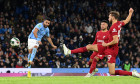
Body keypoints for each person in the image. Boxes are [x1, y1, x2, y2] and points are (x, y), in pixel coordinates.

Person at [63, 8, 140, 78]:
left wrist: (106, 44)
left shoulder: (113, 27)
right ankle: (69, 51)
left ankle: (132, 73)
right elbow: (126, 21)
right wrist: (130, 13)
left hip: (110, 49)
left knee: (112, 72)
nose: (108, 18)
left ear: (113, 17)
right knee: (89, 46)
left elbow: (115, 40)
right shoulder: (119, 23)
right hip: (109, 48)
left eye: (109, 16)